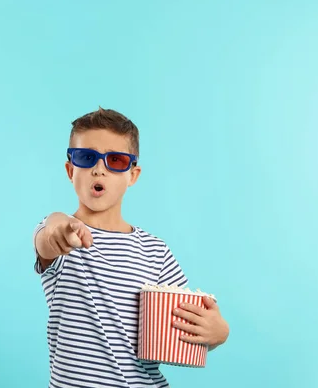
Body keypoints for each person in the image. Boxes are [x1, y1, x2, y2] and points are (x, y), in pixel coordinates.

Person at [33, 107, 229, 387]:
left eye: (115, 160)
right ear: (70, 169)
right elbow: (47, 237)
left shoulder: (155, 251)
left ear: (133, 175)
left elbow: (185, 327)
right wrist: (59, 230)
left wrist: (218, 333)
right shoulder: (63, 237)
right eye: (86, 158)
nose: (99, 168)